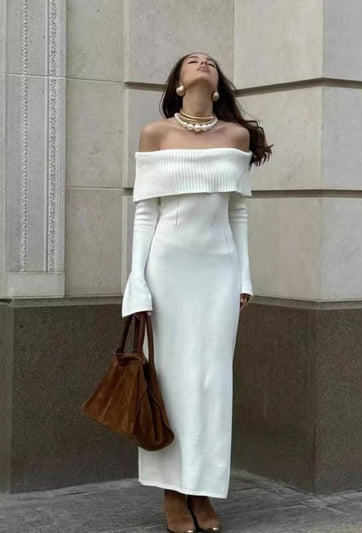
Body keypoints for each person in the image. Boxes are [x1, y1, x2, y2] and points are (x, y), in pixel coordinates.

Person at [121, 52, 272, 533]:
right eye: (192, 61)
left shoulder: (237, 137)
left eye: (209, 60)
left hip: (219, 274)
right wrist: (136, 280)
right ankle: (172, 492)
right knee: (170, 381)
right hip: (166, 270)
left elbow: (238, 213)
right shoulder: (155, 134)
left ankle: (203, 492)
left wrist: (245, 278)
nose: (202, 62)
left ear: (218, 82)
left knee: (211, 384)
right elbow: (145, 214)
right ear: (180, 83)